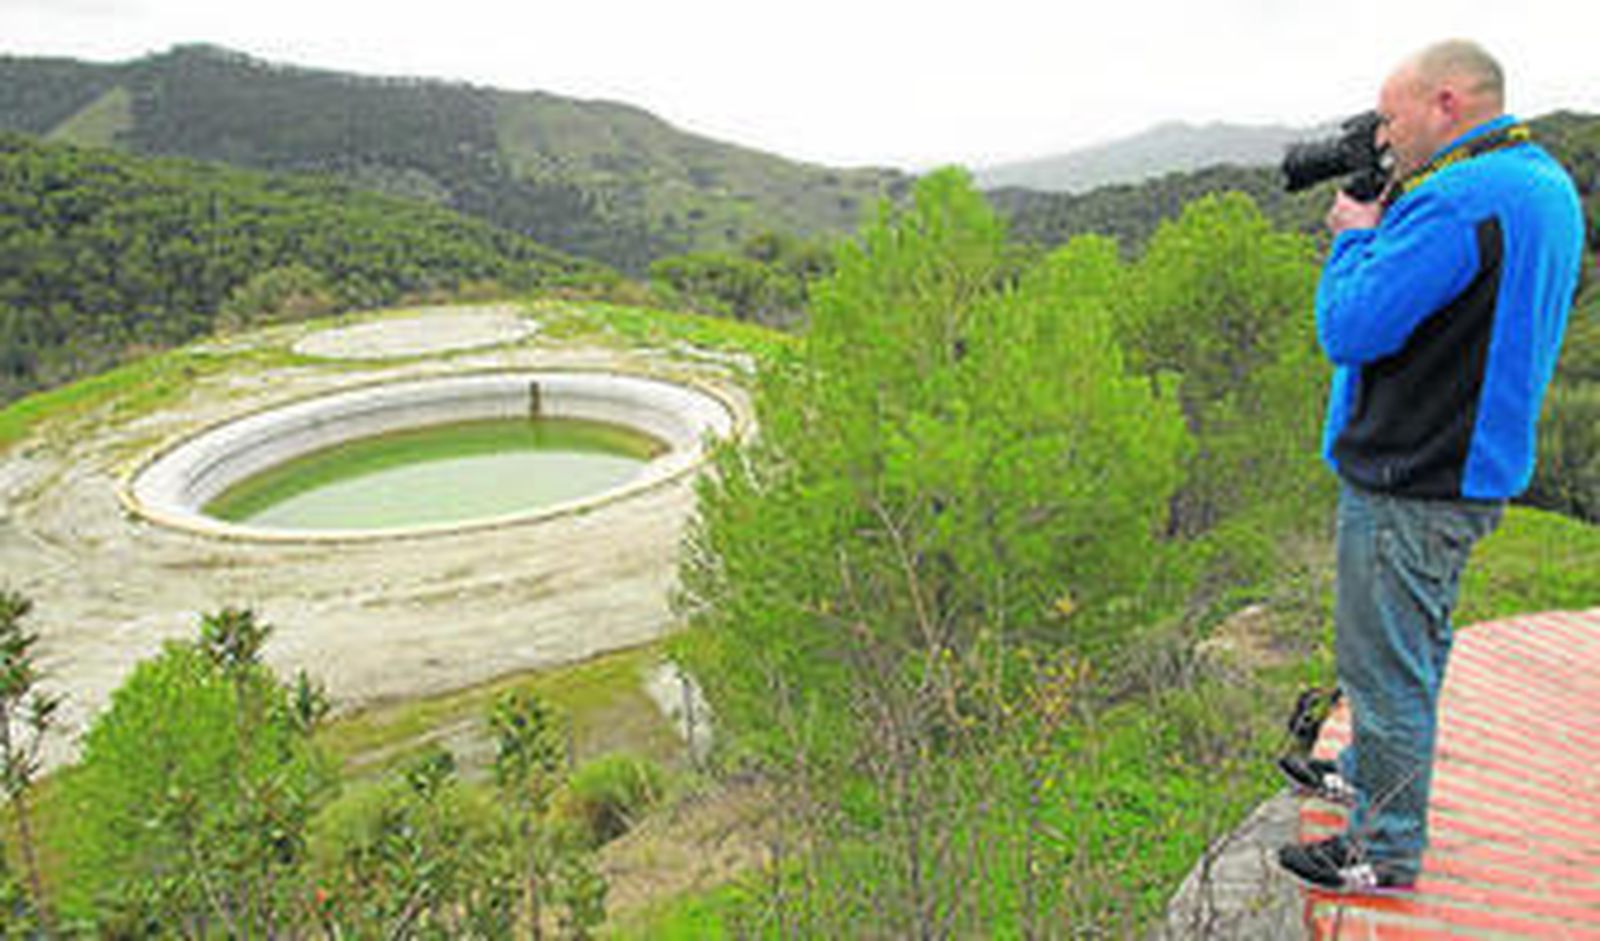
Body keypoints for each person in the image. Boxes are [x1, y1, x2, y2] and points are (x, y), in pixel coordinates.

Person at [1276, 39, 1585, 894]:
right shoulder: (1540, 182)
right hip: (1471, 464)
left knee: (1385, 667)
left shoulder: (1455, 202)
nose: (1382, 134)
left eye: (1392, 116)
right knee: (1415, 645)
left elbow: (1351, 327)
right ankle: (1373, 778)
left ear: (1447, 104)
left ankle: (1384, 847)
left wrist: (1351, 237)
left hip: (1413, 475)